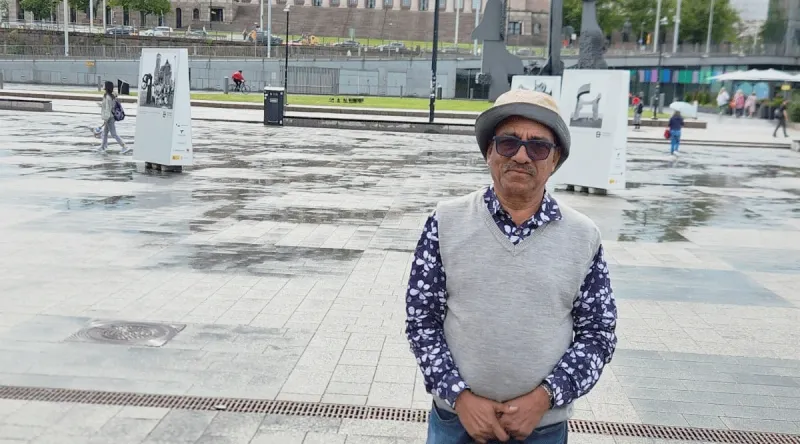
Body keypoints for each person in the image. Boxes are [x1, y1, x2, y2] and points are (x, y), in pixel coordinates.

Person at [406, 89, 617, 444]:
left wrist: (545, 398)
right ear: (489, 152)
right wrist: (459, 396)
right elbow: (421, 320)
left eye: (538, 147)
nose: (521, 155)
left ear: (555, 159)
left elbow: (599, 334)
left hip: (542, 428)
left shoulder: (583, 236)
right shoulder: (445, 222)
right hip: (456, 422)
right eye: (508, 143)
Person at [99, 81, 130, 154]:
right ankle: (103, 147)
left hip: (109, 118)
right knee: (105, 133)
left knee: (113, 134)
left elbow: (108, 109)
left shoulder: (108, 97)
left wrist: (105, 119)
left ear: (107, 87)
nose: (103, 85)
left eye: (104, 85)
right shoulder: (109, 96)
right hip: (110, 117)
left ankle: (124, 146)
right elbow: (108, 107)